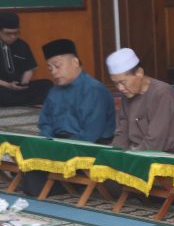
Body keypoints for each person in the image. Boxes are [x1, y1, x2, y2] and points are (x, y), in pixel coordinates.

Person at [24, 39, 116, 196]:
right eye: (50, 68)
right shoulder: (54, 91)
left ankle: (74, 184)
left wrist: (60, 149)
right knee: (28, 151)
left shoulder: (94, 90)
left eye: (57, 66)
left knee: (34, 183)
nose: (54, 72)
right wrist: (48, 143)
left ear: (75, 62)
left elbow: (91, 134)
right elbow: (45, 123)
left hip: (87, 147)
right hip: (60, 144)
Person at [107, 47, 174, 153]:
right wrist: (113, 154)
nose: (120, 88)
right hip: (136, 153)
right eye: (116, 83)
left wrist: (129, 158)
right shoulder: (128, 93)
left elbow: (155, 142)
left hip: (165, 156)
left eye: (123, 82)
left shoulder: (162, 93)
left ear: (139, 73)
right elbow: (122, 133)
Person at [0, 12, 50, 107]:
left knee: (47, 84)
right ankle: (22, 102)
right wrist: (8, 85)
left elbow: (29, 69)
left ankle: (15, 102)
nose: (13, 37)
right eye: (8, 33)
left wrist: (24, 83)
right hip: (3, 87)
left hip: (19, 89)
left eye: (16, 33)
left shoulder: (22, 45)